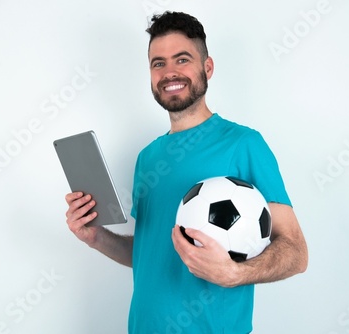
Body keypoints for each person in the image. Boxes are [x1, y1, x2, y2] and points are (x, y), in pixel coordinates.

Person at [65, 11, 308, 333]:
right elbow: (150, 253)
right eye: (158, 63)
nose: (169, 73)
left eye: (182, 60)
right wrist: (95, 236)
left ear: (207, 67)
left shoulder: (244, 144)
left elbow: (295, 251)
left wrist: (235, 274)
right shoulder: (147, 157)